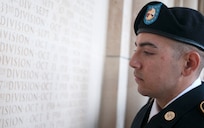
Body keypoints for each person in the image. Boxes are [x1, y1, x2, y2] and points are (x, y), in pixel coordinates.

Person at [129, 1, 204, 128]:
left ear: (189, 64)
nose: (133, 63)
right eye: (136, 50)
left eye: (148, 52)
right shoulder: (149, 109)